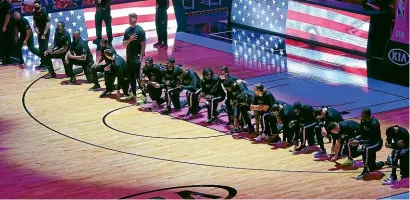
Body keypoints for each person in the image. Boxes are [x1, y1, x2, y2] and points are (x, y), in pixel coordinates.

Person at [349, 108, 384, 180]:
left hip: (376, 143)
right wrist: (354, 137)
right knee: (351, 141)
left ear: (366, 115)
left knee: (366, 149)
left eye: (362, 114)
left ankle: (365, 171)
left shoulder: (374, 123)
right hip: (368, 140)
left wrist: (359, 142)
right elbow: (361, 133)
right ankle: (352, 157)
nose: (360, 115)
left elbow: (373, 140)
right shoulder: (363, 120)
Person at [122, 13, 146, 101]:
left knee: (138, 77)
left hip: (136, 57)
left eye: (131, 19)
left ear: (136, 19)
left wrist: (140, 57)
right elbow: (124, 44)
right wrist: (130, 39)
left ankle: (144, 95)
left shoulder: (140, 31)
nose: (129, 20)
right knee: (131, 76)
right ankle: (133, 94)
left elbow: (143, 45)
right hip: (129, 57)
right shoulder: (127, 31)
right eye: (129, 19)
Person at [32, 0, 50, 69]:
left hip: (45, 31)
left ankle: (47, 64)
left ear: (40, 5)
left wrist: (44, 34)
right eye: (34, 6)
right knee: (41, 48)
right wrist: (35, 28)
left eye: (36, 6)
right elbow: (35, 21)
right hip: (39, 32)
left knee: (45, 48)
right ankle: (42, 63)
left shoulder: (44, 11)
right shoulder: (35, 12)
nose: (35, 7)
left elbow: (48, 24)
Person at [0, 0, 11, 65]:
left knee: (2, 41)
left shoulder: (7, 4)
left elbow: (8, 16)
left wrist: (4, 25)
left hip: (3, 25)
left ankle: (2, 57)